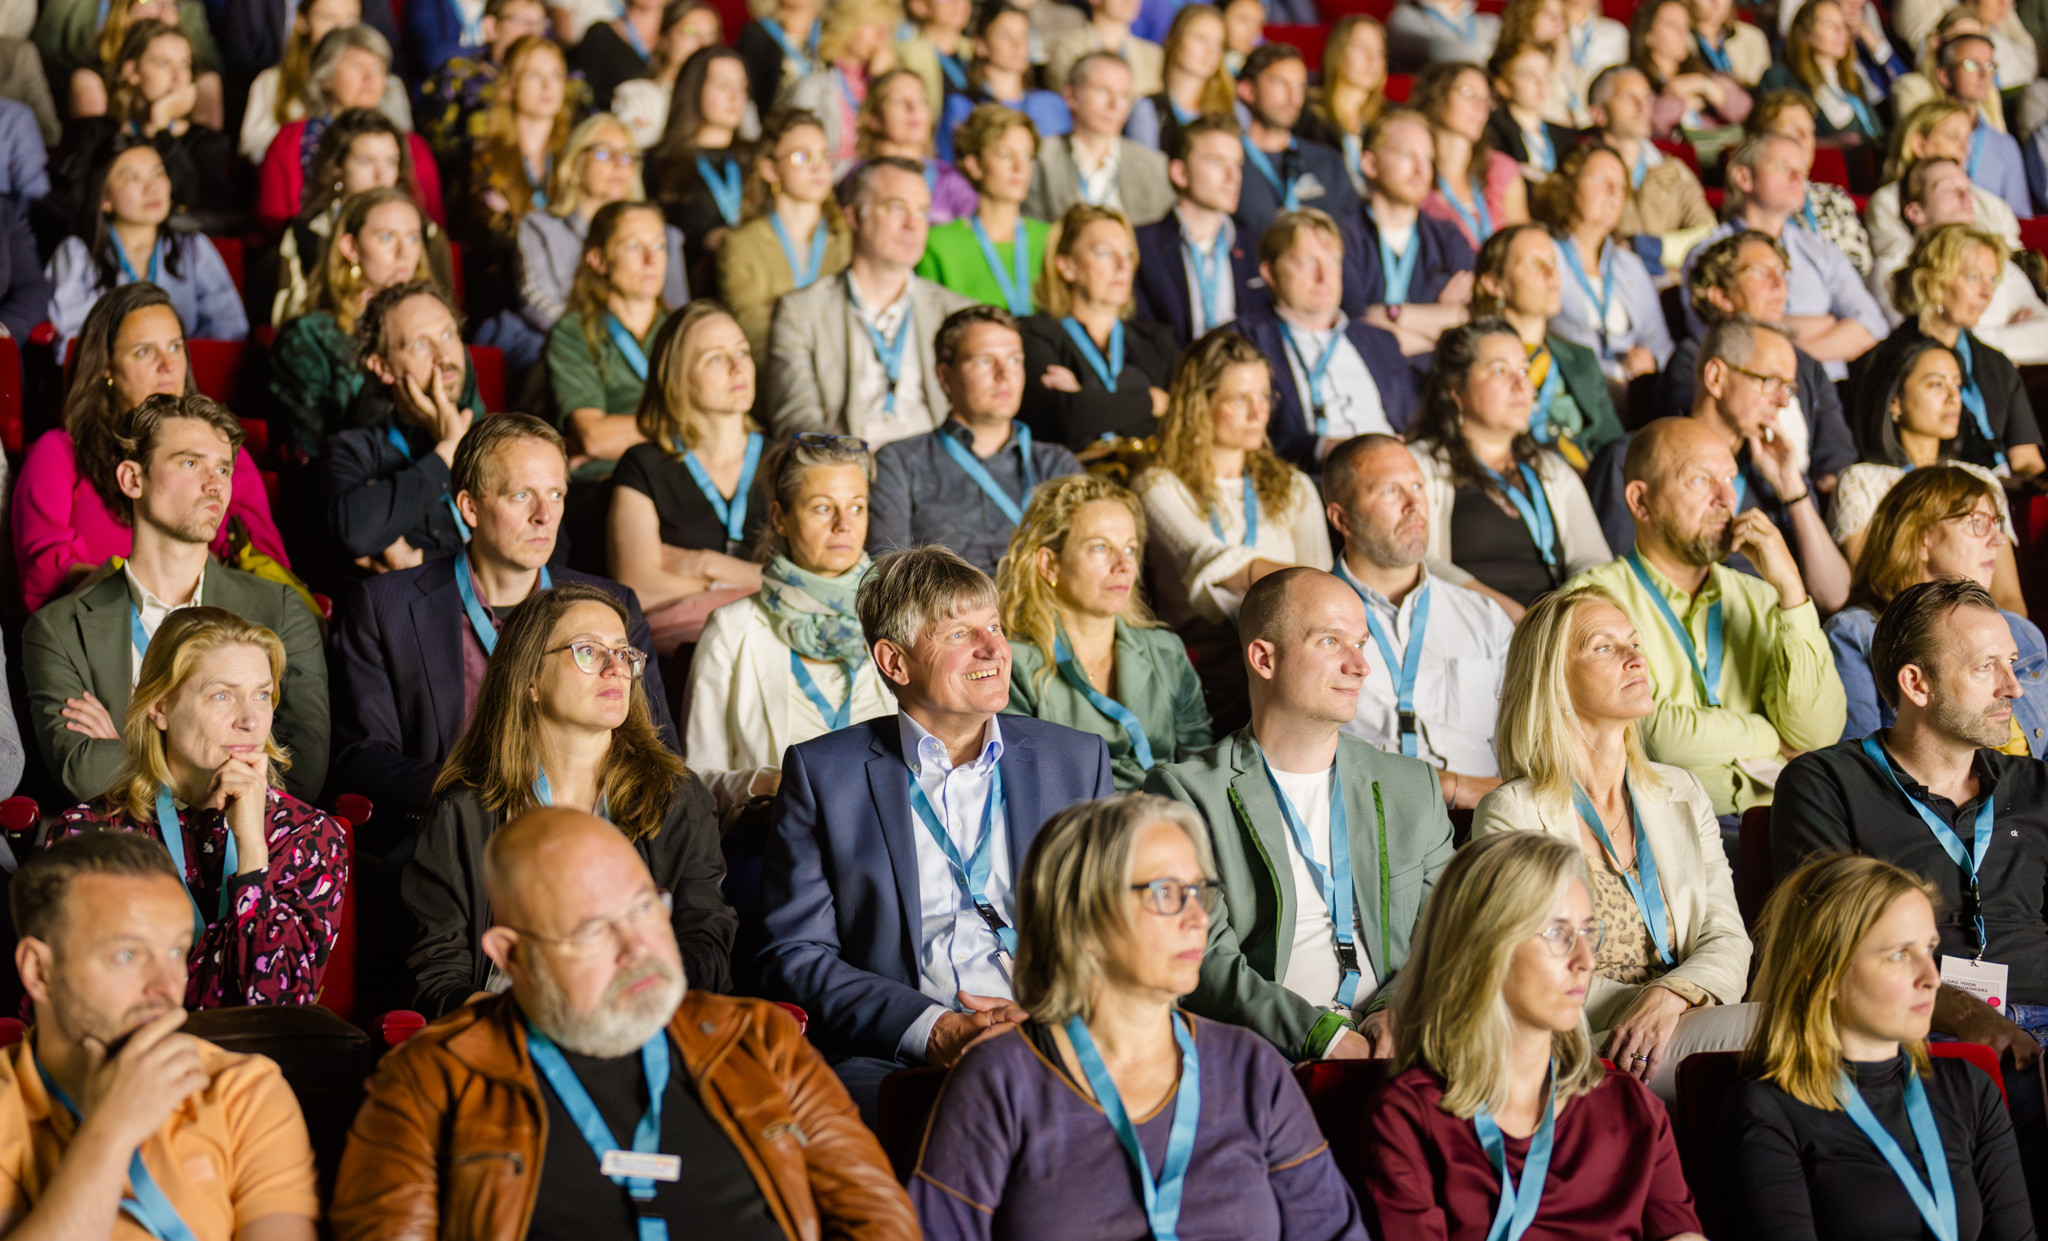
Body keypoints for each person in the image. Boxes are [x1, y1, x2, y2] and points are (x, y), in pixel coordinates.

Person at [332, 807, 920, 1241]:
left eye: (645, 908)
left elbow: (880, 1223)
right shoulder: (431, 1080)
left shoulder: (760, 1044)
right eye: (592, 929)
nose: (637, 946)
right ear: (511, 956)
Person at [908, 793, 1371, 1241]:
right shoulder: (999, 1079)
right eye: (1167, 892)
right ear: (1084, 919)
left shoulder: (1252, 1068)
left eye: (1199, 892)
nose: (1197, 918)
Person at [756, 544, 1116, 1115]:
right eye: (958, 634)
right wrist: (935, 1030)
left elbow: (1117, 924)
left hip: (1062, 1034)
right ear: (895, 663)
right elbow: (796, 953)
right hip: (900, 1056)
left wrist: (1052, 1013)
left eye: (994, 627)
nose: (995, 648)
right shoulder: (826, 774)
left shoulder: (1075, 761)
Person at [1772, 577, 2048, 1234]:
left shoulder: (2037, 788)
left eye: (2012, 664)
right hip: (1918, 1029)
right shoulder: (1824, 782)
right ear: (1916, 685)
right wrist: (1968, 1013)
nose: (2014, 687)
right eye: (1987, 667)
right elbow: (1830, 939)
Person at [1143, 564, 1457, 1060]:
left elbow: (1451, 930)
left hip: (1404, 1044)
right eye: (1332, 642)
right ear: (1264, 658)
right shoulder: (1185, 793)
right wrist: (1324, 1037)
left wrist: (1396, 1009)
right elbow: (1203, 959)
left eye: (1361, 643)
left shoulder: (1410, 784)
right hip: (1270, 1056)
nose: (1360, 665)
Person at [1472, 585, 1755, 1099]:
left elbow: (1729, 939)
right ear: (1553, 681)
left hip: (1683, 1018)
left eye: (1634, 642)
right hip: (1591, 1043)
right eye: (1604, 646)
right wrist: (1647, 1007)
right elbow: (1531, 967)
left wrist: (1672, 998)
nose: (1634, 656)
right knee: (1788, 1036)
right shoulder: (1513, 812)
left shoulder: (1681, 791)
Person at [403, 581, 734, 1017]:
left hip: (641, 1024)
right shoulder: (463, 810)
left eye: (624, 653)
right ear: (530, 680)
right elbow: (434, 978)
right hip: (513, 1032)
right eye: (589, 651)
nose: (616, 668)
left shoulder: (675, 796)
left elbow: (707, 949)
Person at [327, 413, 670, 835]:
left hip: (591, 832)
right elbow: (362, 759)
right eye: (522, 495)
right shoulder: (385, 605)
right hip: (454, 838)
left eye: (556, 494)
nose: (545, 515)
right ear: (469, 507)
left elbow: (656, 748)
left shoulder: (615, 606)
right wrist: (487, 797)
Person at [1360, 831, 1708, 1241]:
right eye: (1558, 935)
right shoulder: (1410, 1114)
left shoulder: (1629, 1105)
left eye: (1588, 933)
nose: (1587, 961)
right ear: (1484, 949)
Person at [0, 832, 321, 1239]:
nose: (167, 986)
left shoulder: (243, 1090)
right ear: (38, 970)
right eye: (128, 955)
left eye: (175, 952)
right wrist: (109, 1134)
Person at [23, 394, 329, 806]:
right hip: (119, 858)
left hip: (246, 849)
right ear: (132, 479)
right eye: (190, 463)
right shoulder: (58, 629)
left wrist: (129, 751)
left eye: (223, 468)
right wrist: (220, 762)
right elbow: (83, 775)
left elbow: (302, 771)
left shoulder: (281, 609)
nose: (215, 483)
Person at [1723, 851, 2035, 1241]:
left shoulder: (1970, 1087)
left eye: (1928, 949)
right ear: (1824, 972)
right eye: (1900, 954)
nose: (1932, 977)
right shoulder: (1767, 1108)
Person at [50, 605, 349, 1009]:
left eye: (261, 694)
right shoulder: (86, 836)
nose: (250, 720)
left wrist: (252, 852)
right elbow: (91, 1005)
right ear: (159, 707)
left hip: (259, 1068)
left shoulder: (311, 836)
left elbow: (279, 1008)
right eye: (222, 695)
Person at [1565, 415, 1846, 818]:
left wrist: (1790, 589)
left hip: (1782, 820)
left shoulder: (1766, 597)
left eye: (1730, 479)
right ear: (1640, 502)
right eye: (1699, 480)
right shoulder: (1590, 601)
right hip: (1661, 830)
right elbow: (1655, 737)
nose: (1726, 499)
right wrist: (1771, 735)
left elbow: (1816, 736)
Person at [13, 285, 288, 615]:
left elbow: (269, 575)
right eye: (144, 351)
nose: (168, 365)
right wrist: (153, 592)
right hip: (100, 641)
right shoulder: (59, 453)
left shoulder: (225, 453)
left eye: (175, 347)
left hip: (214, 638)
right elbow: (43, 578)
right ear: (107, 367)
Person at [1589, 318, 1853, 615]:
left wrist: (1793, 490)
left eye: (1788, 388)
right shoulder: (1631, 461)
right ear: (1715, 377)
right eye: (1769, 382)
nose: (1783, 402)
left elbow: (1835, 597)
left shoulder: (1775, 473)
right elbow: (1614, 592)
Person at [686, 433, 893, 809]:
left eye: (857, 507)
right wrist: (764, 783)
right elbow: (696, 781)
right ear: (780, 518)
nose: (844, 525)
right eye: (822, 508)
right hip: (775, 842)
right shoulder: (731, 628)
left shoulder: (896, 618)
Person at [1323, 434, 1511, 808]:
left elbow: (1529, 743)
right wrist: (1448, 786)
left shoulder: (1484, 616)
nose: (1415, 505)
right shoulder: (1311, 623)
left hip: (1487, 824)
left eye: (1418, 486)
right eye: (1390, 491)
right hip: (1373, 819)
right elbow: (1306, 760)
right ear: (1342, 518)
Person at [999, 475, 1211, 791]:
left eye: (1130, 548)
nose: (1124, 564)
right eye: (1100, 547)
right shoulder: (1014, 664)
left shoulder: (1166, 650)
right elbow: (1025, 788)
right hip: (1078, 830)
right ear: (1049, 564)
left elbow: (1200, 766)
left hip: (1171, 824)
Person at [1132, 331, 1333, 654]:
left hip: (1289, 649)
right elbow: (1211, 561)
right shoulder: (1159, 485)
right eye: (1239, 400)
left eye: (1264, 397)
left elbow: (1323, 589)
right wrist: (1312, 584)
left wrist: (1321, 588)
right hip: (1204, 657)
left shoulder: (1295, 485)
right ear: (1198, 406)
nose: (1259, 413)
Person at [1827, 465, 2046, 751]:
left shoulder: (2021, 631)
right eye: (1977, 523)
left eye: (1997, 524)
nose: (1999, 540)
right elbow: (1863, 767)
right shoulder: (1856, 632)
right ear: (1921, 539)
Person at [1404, 320, 1611, 620]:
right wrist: (1510, 616)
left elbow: (1591, 558)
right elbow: (1421, 562)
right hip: (1473, 631)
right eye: (1500, 371)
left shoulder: (1552, 469)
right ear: (1456, 391)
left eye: (1525, 371)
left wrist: (1567, 620)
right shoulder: (1419, 464)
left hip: (1555, 634)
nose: (1520, 384)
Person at [767, 158, 977, 444]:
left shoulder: (957, 312)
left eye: (922, 211)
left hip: (941, 471)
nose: (913, 225)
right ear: (853, 216)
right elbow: (796, 419)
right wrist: (849, 469)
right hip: (846, 473)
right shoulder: (801, 312)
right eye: (896, 207)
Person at [869, 305, 1084, 575]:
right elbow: (888, 574)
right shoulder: (899, 462)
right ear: (945, 376)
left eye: (1015, 360)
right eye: (985, 360)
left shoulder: (1057, 465)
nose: (1004, 374)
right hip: (948, 614)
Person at [607, 300, 767, 651]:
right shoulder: (643, 464)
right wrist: (754, 581)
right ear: (677, 377)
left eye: (742, 352)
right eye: (716, 358)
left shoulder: (783, 463)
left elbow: (811, 584)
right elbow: (637, 588)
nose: (738, 366)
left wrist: (704, 564)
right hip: (682, 656)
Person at [1828, 342, 2026, 624]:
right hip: (1903, 631)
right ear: (1895, 399)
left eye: (1957, 385)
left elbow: (2008, 597)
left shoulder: (1982, 480)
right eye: (1936, 384)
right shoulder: (1862, 481)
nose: (1953, 397)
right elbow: (1874, 590)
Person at [1654, 230, 1861, 499]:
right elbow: (1699, 445)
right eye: (1761, 273)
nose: (1779, 284)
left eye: (1782, 272)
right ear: (1721, 296)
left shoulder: (1807, 365)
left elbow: (1837, 455)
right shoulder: (1691, 359)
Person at [1682, 133, 1886, 380]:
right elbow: (1718, 340)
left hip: (1827, 392)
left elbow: (1870, 327)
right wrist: (1823, 324)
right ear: (1744, 177)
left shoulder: (1821, 250)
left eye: (1802, 170)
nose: (1797, 178)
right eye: (1782, 166)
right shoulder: (1708, 253)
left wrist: (1787, 359)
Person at [1854, 223, 2045, 485]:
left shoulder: (1996, 362)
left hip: (2004, 498)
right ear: (1934, 279)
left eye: (1991, 279)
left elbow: (2026, 458)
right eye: (1973, 277)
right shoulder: (1887, 360)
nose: (1986, 293)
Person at [1231, 208, 1418, 469]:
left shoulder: (1379, 342)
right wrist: (1324, 448)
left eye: (1333, 261)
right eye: (1306, 262)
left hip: (1395, 470)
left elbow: (1415, 424)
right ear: (1269, 273)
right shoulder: (1243, 341)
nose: (1323, 276)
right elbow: (1244, 435)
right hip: (1310, 478)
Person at [325, 281, 485, 572]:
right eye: (421, 345)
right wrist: (448, 450)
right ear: (382, 366)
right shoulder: (353, 449)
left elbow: (548, 552)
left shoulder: (500, 442)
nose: (445, 357)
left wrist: (425, 563)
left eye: (449, 335)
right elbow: (356, 533)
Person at [267, 186, 436, 461]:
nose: (404, 252)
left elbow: (471, 423)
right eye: (387, 237)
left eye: (414, 238)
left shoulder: (438, 329)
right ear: (351, 247)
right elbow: (313, 452)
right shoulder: (308, 336)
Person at [257, 106, 453, 330]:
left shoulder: (428, 235)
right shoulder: (308, 235)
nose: (381, 176)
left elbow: (448, 323)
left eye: (391, 162)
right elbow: (288, 326)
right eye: (366, 161)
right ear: (337, 168)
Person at [46, 139, 245, 355]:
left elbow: (229, 328)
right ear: (105, 198)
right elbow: (72, 339)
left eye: (158, 174)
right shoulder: (77, 254)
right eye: (132, 177)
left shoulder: (193, 248)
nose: (152, 188)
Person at [43, 21, 236, 237]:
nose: (179, 77)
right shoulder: (98, 132)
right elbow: (71, 202)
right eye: (163, 63)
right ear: (132, 72)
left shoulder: (205, 141)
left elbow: (199, 211)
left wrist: (162, 129)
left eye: (185, 64)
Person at [253, 25, 443, 235]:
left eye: (377, 68)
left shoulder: (413, 146)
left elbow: (432, 229)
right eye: (356, 66)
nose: (369, 78)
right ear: (325, 77)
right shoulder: (291, 140)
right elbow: (271, 222)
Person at [1019, 204, 1179, 451]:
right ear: (1066, 265)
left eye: (1127, 252)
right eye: (1104, 253)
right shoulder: (1033, 335)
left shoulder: (1155, 341)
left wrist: (1087, 397)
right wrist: (1152, 400)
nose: (1122, 264)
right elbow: (1068, 417)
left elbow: (1186, 414)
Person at [518, 114, 689, 345]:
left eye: (628, 156)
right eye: (603, 153)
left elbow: (678, 311)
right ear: (575, 165)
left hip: (640, 347)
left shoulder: (664, 235)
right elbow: (539, 305)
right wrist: (598, 344)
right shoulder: (540, 228)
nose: (619, 163)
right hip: (559, 342)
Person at [1470, 223, 1624, 468]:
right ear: (1494, 284)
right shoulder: (1473, 357)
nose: (1551, 273)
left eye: (1553, 261)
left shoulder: (1581, 358)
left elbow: (1615, 447)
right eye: (1533, 263)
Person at [1872, 156, 2048, 364]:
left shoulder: (1996, 262)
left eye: (1967, 187)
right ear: (1916, 212)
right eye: (1948, 189)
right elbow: (1922, 343)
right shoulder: (1895, 266)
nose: (1966, 196)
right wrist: (2013, 340)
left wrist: (1973, 341)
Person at [547, 200, 675, 472]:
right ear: (598, 260)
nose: (651, 259)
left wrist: (619, 434)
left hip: (681, 473)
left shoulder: (683, 328)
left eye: (659, 245)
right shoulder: (573, 332)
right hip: (609, 480)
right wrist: (685, 427)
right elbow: (595, 438)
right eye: (633, 246)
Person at [717, 106, 853, 358]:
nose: (818, 167)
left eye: (824, 156)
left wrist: (777, 310)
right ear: (769, 169)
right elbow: (755, 339)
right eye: (801, 157)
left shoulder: (849, 239)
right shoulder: (741, 245)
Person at [1536, 143, 1673, 387]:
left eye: (1621, 187)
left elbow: (1662, 348)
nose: (1614, 192)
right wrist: (1615, 370)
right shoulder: (1544, 253)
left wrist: (1650, 361)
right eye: (1602, 180)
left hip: (1634, 393)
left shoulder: (1629, 264)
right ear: (1569, 186)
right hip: (1574, 387)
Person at [1357, 108, 1478, 357]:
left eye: (1428, 158)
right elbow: (1356, 329)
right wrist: (1439, 323)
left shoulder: (1448, 237)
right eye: (1407, 155)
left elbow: (1473, 321)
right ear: (1370, 164)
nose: (1421, 170)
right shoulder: (1342, 238)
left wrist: (1394, 315)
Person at [1134, 113, 1258, 348]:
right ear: (1180, 173)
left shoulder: (1255, 246)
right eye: (1217, 162)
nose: (1234, 176)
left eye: (1237, 164)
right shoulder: (1142, 246)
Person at [916, 103, 1050, 317]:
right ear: (974, 164)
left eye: (1027, 156)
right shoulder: (939, 244)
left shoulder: (1051, 238)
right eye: (1006, 155)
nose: (1020, 167)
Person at [238, 0, 411, 165]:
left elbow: (409, 154)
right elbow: (254, 151)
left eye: (351, 19)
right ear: (302, 21)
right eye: (328, 18)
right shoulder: (272, 82)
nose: (341, 29)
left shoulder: (388, 86)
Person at [646, 45, 758, 292]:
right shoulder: (658, 162)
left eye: (742, 87)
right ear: (694, 89)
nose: (735, 97)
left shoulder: (758, 158)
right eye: (723, 86)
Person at [1587, 65, 1714, 275]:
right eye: (1629, 98)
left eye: (1647, 98)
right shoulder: (1582, 172)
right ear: (1598, 113)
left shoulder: (1673, 170)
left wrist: (1650, 247)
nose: (1642, 106)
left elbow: (1708, 235)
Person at [1231, 43, 1361, 247]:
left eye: (1300, 87)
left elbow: (1354, 238)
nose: (1293, 97)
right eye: (1281, 83)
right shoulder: (1228, 162)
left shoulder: (1329, 162)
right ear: (1247, 89)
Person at [1871, 99, 2019, 277]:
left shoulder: (1991, 204)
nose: (1964, 148)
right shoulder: (1887, 203)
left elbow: (2016, 266)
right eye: (1953, 137)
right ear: (1919, 144)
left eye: (1967, 140)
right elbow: (1897, 269)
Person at [456, 34, 574, 257]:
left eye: (556, 76)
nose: (547, 86)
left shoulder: (576, 151)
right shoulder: (485, 157)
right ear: (508, 86)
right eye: (534, 75)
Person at [1023, 53, 1174, 226]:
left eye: (1124, 95)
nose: (1115, 105)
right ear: (1071, 95)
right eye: (1103, 91)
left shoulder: (1154, 168)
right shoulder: (1040, 160)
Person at [1749, 89, 1875, 279]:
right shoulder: (1755, 198)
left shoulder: (1833, 198)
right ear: (1763, 139)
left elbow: (1861, 265)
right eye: (1792, 129)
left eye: (1810, 130)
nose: (1805, 138)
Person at [414, 0, 551, 173]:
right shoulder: (459, 78)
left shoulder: (557, 82)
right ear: (491, 27)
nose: (533, 32)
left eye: (540, 23)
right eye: (521, 21)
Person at [934, 2, 1071, 165]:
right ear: (981, 44)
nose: (1017, 44)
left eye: (1023, 36)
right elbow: (948, 169)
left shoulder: (1051, 104)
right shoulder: (962, 107)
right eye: (1004, 35)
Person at [1416, 60, 1529, 254]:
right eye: (1469, 93)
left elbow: (1524, 247)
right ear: (1437, 95)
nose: (1480, 107)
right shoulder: (1413, 165)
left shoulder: (1501, 170)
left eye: (1486, 100)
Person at [782, 0, 897, 172]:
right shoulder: (815, 80)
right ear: (847, 26)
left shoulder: (886, 77)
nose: (882, 37)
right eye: (873, 26)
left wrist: (884, 82)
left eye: (886, 29)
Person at [853, 67, 977, 226]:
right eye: (897, 100)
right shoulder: (857, 178)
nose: (913, 108)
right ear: (873, 118)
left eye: (921, 99)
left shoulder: (952, 182)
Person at [1935, 33, 2033, 219]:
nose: (1983, 74)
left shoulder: (2004, 144)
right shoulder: (1928, 135)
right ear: (1945, 75)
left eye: (1990, 65)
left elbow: (2021, 218)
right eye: (1971, 64)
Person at [1758, 0, 1884, 143]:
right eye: (1829, 24)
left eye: (1843, 24)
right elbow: (1769, 137)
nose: (1840, 31)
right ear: (1806, 33)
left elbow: (1878, 137)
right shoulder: (1779, 79)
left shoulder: (1853, 81)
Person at [1126, 2, 1237, 155]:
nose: (1211, 52)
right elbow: (1145, 172)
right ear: (1176, 38)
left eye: (1218, 44)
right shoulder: (1148, 109)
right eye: (1201, 39)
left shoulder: (1231, 111)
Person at [610, 4, 725, 151]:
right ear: (664, 38)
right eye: (691, 31)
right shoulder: (638, 98)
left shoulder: (727, 100)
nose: (703, 44)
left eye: (711, 35)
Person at [1629, 0, 1750, 139]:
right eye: (1672, 25)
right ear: (1647, 35)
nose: (1682, 33)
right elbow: (1652, 122)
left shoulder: (1699, 73)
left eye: (1686, 26)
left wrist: (1705, 86)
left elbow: (1743, 110)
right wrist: (1687, 101)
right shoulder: (1634, 80)